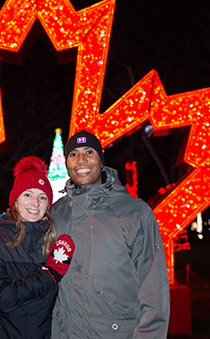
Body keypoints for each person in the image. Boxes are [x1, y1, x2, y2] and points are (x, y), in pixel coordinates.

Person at [51, 130, 170, 339]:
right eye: (73, 154)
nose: (81, 160)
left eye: (89, 152)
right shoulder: (56, 212)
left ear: (101, 160)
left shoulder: (135, 213)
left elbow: (154, 289)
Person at [0, 156, 76, 339]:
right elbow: (0, 298)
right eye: (28, 194)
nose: (35, 203)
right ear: (15, 200)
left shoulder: (51, 243)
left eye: (42, 197)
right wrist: (50, 274)